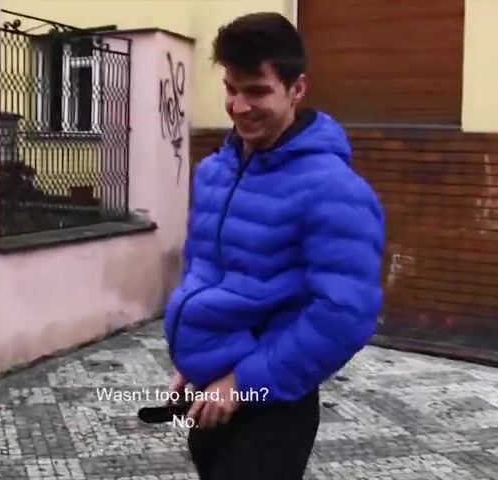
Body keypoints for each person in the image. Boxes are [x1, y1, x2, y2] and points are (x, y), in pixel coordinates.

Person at [162, 11, 386, 480]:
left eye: (257, 91)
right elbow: (204, 269)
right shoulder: (215, 172)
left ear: (296, 89)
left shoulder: (334, 189)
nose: (239, 106)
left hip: (272, 408)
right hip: (209, 394)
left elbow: (344, 315)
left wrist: (242, 383)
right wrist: (195, 354)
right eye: (231, 89)